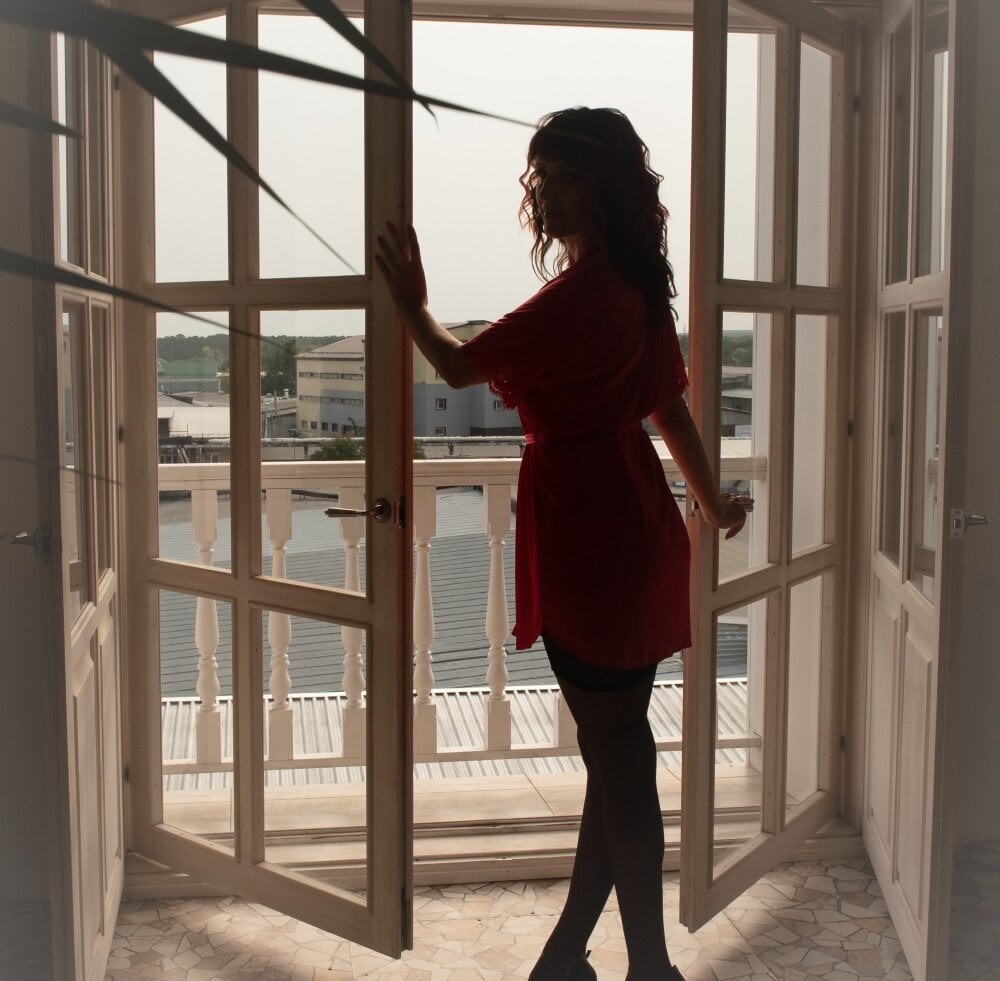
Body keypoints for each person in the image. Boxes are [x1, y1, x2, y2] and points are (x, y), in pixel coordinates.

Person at [376, 106, 750, 981]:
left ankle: (650, 965)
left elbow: (456, 366)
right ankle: (564, 954)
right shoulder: (635, 288)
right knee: (613, 753)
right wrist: (709, 502)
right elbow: (668, 409)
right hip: (636, 523)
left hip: (592, 536)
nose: (540, 192)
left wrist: (413, 303)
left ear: (600, 188)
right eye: (538, 176)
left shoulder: (581, 297)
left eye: (559, 176)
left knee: (620, 756)